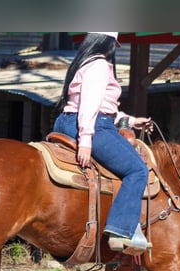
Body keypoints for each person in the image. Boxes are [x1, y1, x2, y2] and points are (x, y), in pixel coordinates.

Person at [53, 32, 153, 252]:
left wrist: (132, 121)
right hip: (91, 125)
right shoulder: (99, 66)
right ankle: (120, 230)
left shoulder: (83, 62)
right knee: (137, 170)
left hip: (67, 121)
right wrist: (86, 140)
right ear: (108, 43)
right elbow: (90, 106)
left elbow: (105, 109)